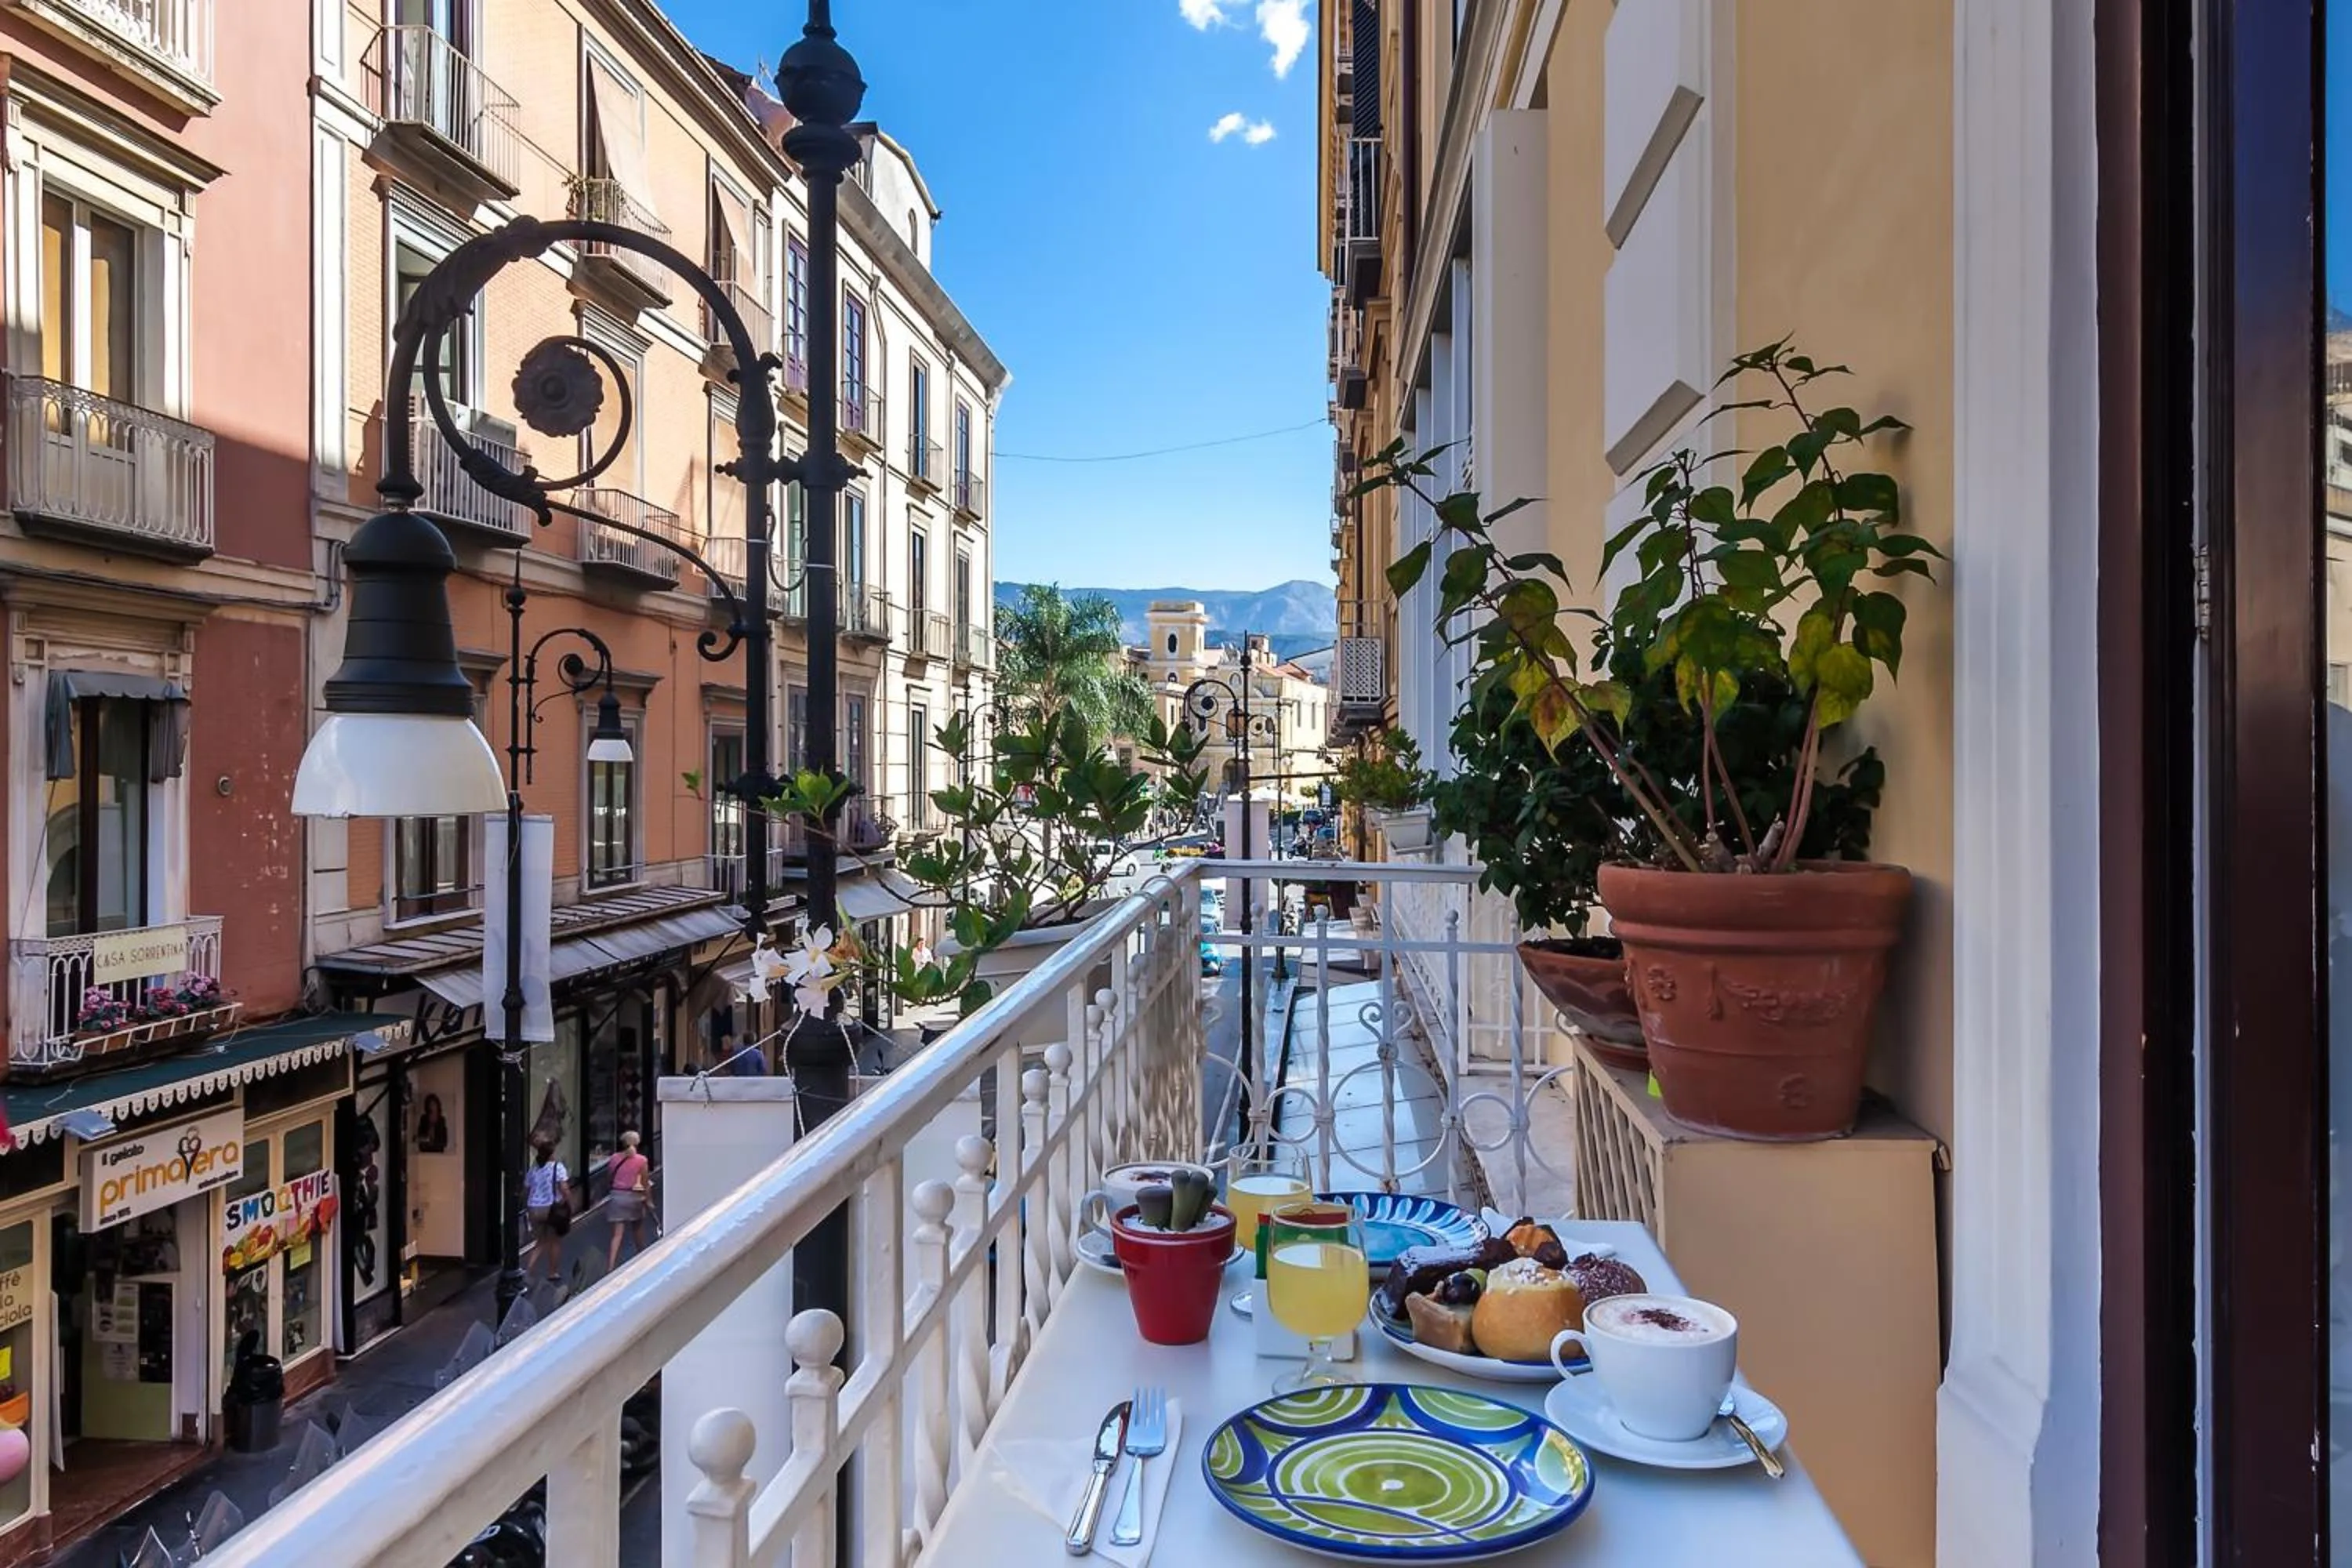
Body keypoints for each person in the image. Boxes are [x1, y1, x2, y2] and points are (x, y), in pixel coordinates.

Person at [524, 1134, 568, 1285]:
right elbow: (564, 1189)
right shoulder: (558, 1167)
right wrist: (566, 1202)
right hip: (550, 1208)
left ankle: (528, 1270)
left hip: (533, 1208)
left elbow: (527, 1188)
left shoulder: (534, 1168)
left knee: (540, 1241)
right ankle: (553, 1271)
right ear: (552, 1153)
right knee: (554, 1241)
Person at [605, 1131, 653, 1269]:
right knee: (637, 1228)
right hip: (634, 1198)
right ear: (637, 1143)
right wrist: (649, 1200)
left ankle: (611, 1265)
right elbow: (645, 1182)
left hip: (617, 1196)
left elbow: (609, 1176)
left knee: (617, 1235)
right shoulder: (642, 1160)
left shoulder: (614, 1158)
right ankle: (641, 1256)